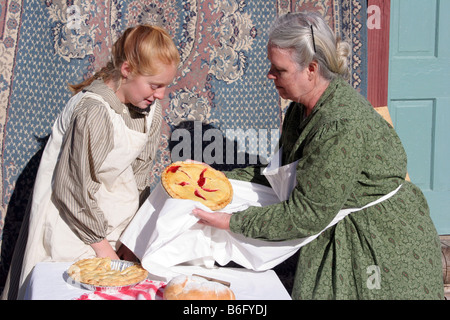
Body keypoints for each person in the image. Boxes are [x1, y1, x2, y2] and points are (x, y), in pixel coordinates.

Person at [193, 12, 444, 299]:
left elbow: (307, 214)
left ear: (311, 69)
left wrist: (231, 222)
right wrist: (215, 178)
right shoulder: (301, 109)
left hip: (378, 245)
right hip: (334, 219)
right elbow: (283, 172)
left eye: (279, 69)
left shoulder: (340, 126)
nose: (270, 75)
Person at [2, 24, 180, 300]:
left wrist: (132, 239)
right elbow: (71, 188)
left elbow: (141, 174)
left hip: (113, 218)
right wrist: (103, 248)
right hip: (72, 219)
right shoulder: (93, 112)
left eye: (165, 86)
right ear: (127, 70)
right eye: (155, 85)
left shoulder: (149, 109)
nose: (161, 95)